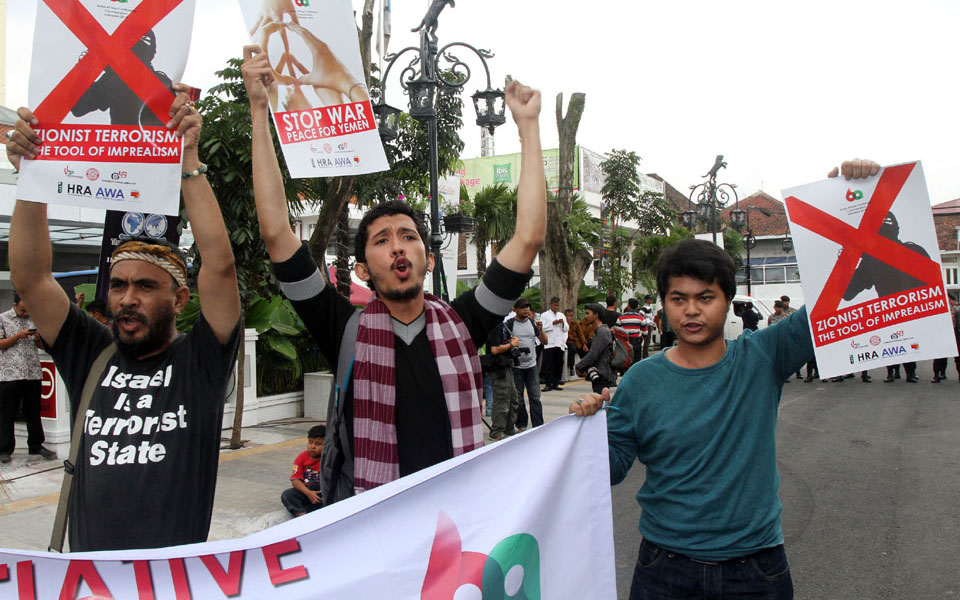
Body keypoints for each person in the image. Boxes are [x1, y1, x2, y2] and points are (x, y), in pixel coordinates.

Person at [241, 45, 545, 502]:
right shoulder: (345, 328)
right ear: (363, 268)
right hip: (373, 529)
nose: (398, 246)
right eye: (382, 240)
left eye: (408, 236)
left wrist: (528, 127)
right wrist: (260, 111)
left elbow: (527, 240)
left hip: (456, 522)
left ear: (425, 256)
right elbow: (277, 234)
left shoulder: (463, 323)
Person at [571, 159, 879, 600]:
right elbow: (610, 469)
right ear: (664, 305)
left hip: (756, 569)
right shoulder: (640, 380)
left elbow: (834, 302)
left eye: (705, 297)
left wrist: (851, 200)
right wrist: (586, 429)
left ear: (728, 302)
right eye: (678, 298)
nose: (691, 310)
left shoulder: (763, 356)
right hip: (665, 570)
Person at [4, 89, 242, 551]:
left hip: (175, 582)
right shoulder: (91, 353)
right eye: (118, 285)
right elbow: (32, 279)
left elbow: (221, 267)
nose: (127, 299)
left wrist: (189, 162)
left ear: (179, 300)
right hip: (91, 583)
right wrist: (30, 177)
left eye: (146, 287)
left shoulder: (201, 362)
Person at [0, 292, 55, 463]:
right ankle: (4, 449)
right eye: (23, 310)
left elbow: (42, 346)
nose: (26, 314)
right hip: (9, 374)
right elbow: (1, 344)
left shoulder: (34, 318)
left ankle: (36, 444)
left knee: (33, 411)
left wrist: (38, 338)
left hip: (32, 372)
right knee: (7, 413)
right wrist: (18, 336)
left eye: (28, 311)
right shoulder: (2, 318)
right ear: (15, 304)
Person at [507, 298, 548, 430]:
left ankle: (538, 426)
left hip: (532, 366)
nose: (526, 310)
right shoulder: (509, 324)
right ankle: (521, 425)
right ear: (515, 309)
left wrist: (540, 330)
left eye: (528, 307)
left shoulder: (532, 323)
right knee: (518, 398)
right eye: (523, 307)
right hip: (516, 367)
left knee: (535, 397)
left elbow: (545, 342)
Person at [485, 321, 520, 441]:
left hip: (506, 365)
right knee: (502, 398)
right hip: (497, 367)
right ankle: (497, 431)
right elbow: (494, 349)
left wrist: (511, 342)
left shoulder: (503, 325)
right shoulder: (495, 326)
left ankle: (509, 428)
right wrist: (511, 344)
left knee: (513, 399)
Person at [282, 425, 326, 517]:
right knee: (287, 495)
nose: (313, 447)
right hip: (306, 491)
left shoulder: (327, 459)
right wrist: (309, 493)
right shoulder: (301, 458)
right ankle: (302, 516)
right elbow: (295, 480)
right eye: (310, 442)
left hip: (322, 492)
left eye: (318, 444)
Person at [575, 304, 614, 394]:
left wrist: (579, 366)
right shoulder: (599, 331)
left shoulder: (602, 332)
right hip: (599, 374)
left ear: (596, 315)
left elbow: (593, 354)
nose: (586, 317)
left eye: (588, 313)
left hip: (602, 375)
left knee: (601, 403)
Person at [539, 296, 568, 391]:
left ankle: (556, 383)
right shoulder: (545, 315)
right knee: (548, 364)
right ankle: (548, 383)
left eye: (557, 305)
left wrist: (563, 323)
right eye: (554, 305)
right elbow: (541, 328)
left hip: (559, 343)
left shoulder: (561, 315)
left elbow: (567, 328)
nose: (556, 307)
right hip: (549, 343)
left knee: (558, 363)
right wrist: (553, 323)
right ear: (550, 304)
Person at [617, 298, 646, 366]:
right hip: (636, 341)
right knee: (636, 362)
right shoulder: (641, 318)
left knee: (626, 360)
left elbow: (617, 329)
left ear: (628, 305)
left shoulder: (621, 317)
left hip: (625, 342)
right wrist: (641, 338)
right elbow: (645, 332)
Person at [565, 308, 587, 378]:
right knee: (572, 349)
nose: (569, 318)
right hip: (568, 342)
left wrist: (584, 344)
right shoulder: (563, 324)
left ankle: (585, 368)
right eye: (567, 316)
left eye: (571, 316)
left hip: (576, 342)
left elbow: (581, 334)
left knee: (583, 351)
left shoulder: (576, 324)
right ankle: (571, 367)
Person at [640, 294, 656, 359]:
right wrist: (646, 321)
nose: (651, 300)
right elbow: (640, 314)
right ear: (646, 300)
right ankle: (645, 355)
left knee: (648, 340)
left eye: (651, 299)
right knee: (647, 340)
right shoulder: (645, 307)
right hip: (647, 325)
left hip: (650, 324)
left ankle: (645, 354)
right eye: (650, 299)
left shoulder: (649, 307)